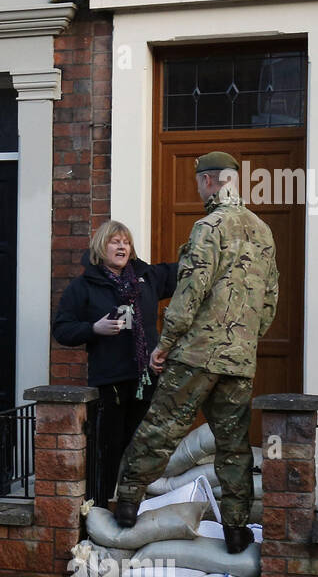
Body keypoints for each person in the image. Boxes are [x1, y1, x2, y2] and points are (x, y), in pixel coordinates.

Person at [114, 151, 280, 553]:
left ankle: (126, 506)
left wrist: (166, 342)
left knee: (162, 427)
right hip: (239, 359)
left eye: (197, 182)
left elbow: (190, 292)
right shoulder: (263, 231)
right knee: (234, 445)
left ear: (208, 181)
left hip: (197, 355)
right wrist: (245, 340)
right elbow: (271, 299)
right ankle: (237, 530)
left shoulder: (208, 227)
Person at [52, 221, 177, 505]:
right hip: (109, 383)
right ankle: (101, 508)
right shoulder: (83, 286)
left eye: (126, 242)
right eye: (115, 242)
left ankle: (136, 506)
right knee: (109, 450)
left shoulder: (147, 277)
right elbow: (61, 328)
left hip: (146, 379)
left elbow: (186, 270)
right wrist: (94, 329)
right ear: (101, 246)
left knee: (143, 449)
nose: (122, 247)